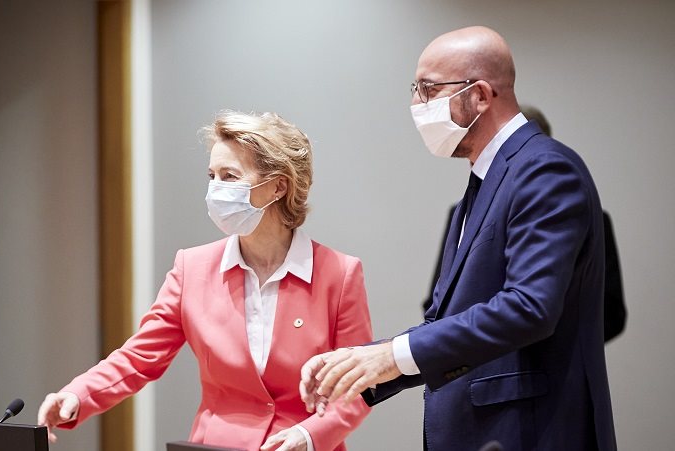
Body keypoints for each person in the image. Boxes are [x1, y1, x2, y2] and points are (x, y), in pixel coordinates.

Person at [299, 27, 617, 450]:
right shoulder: (484, 181)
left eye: (429, 90)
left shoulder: (544, 170)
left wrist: (391, 355)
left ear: (481, 95)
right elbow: (449, 321)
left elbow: (529, 307)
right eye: (415, 89)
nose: (416, 105)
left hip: (530, 433)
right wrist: (361, 365)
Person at [37, 111, 372, 451]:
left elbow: (358, 388)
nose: (215, 190)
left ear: (278, 185)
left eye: (230, 176)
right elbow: (138, 358)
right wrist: (77, 395)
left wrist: (309, 436)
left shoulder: (339, 274)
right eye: (212, 176)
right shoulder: (191, 268)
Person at [421, 105, 627, 343]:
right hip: (471, 371)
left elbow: (610, 313)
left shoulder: (587, 213)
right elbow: (440, 305)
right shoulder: (461, 212)